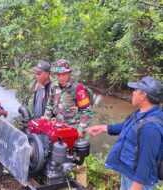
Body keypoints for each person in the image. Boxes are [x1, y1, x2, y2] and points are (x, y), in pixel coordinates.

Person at [85, 76, 163, 190]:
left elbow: (146, 163)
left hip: (138, 182)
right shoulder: (142, 113)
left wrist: (135, 187)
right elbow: (128, 126)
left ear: (143, 95)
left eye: (135, 90)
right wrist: (103, 128)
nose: (132, 93)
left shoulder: (151, 128)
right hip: (128, 172)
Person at [42, 59, 93, 187]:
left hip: (74, 131)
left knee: (79, 163)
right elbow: (49, 106)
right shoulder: (54, 87)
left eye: (63, 74)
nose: (61, 77)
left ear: (69, 73)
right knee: (56, 158)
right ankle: (59, 183)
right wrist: (46, 118)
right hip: (58, 130)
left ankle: (81, 186)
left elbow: (86, 112)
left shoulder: (78, 88)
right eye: (58, 75)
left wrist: (81, 129)